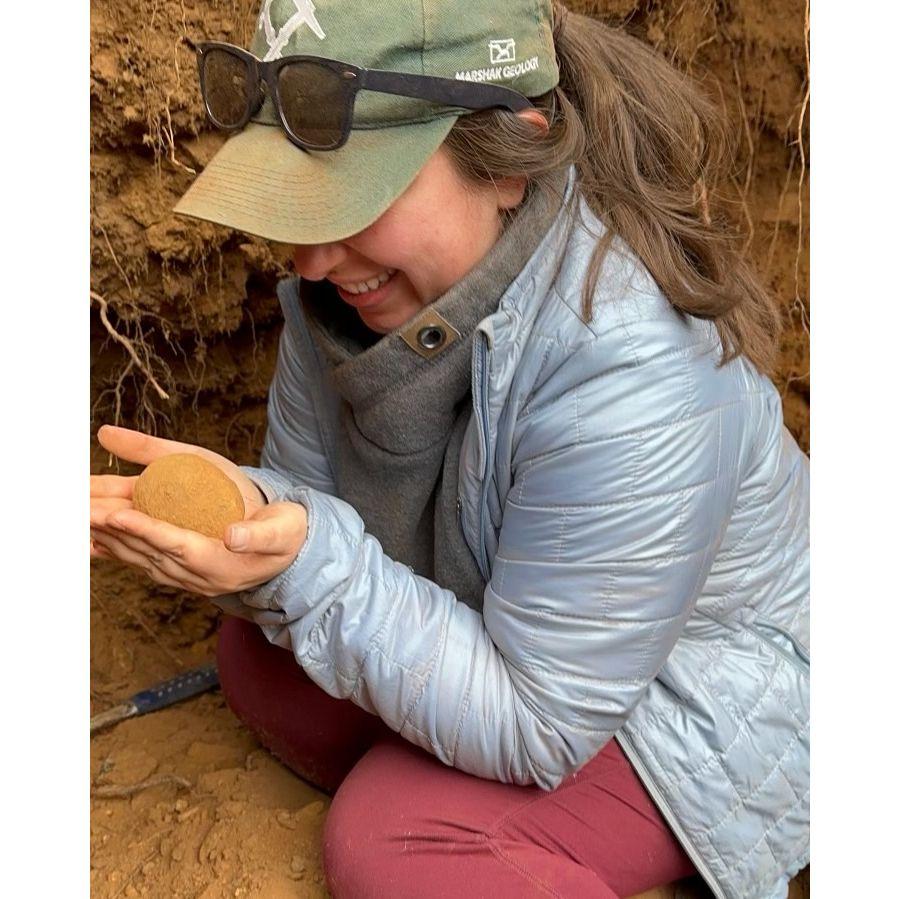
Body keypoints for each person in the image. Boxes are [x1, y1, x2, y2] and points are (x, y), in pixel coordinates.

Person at [89, 2, 809, 897]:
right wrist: (248, 519)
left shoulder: (634, 366)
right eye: (297, 204)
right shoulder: (340, 297)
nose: (313, 259)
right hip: (516, 621)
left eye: (357, 198)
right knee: (261, 664)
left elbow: (539, 720)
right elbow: (315, 512)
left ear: (508, 159)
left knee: (394, 843)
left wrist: (305, 567)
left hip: (700, 688)